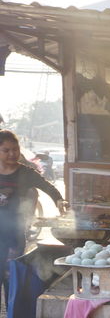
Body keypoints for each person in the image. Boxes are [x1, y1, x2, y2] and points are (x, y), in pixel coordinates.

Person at [0, 130, 69, 306]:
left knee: (10, 276)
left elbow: (49, 188)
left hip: (14, 235)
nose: (12, 154)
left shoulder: (26, 173)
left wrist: (60, 201)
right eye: (6, 150)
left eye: (15, 149)